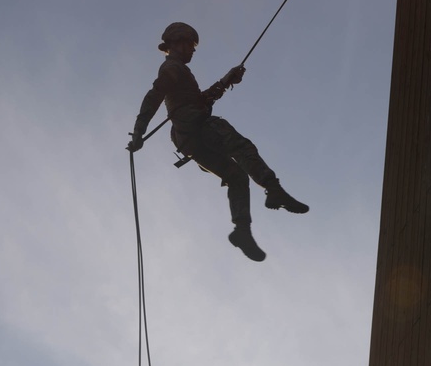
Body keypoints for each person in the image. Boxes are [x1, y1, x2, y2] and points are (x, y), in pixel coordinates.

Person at [128, 22, 308, 262]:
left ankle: (241, 230)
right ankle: (273, 190)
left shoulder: (179, 70)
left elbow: (200, 100)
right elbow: (154, 97)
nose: (193, 50)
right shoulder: (172, 68)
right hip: (197, 127)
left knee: (236, 176)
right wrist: (139, 132)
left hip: (187, 140)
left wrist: (227, 80)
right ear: (177, 42)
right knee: (242, 147)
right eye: (190, 45)